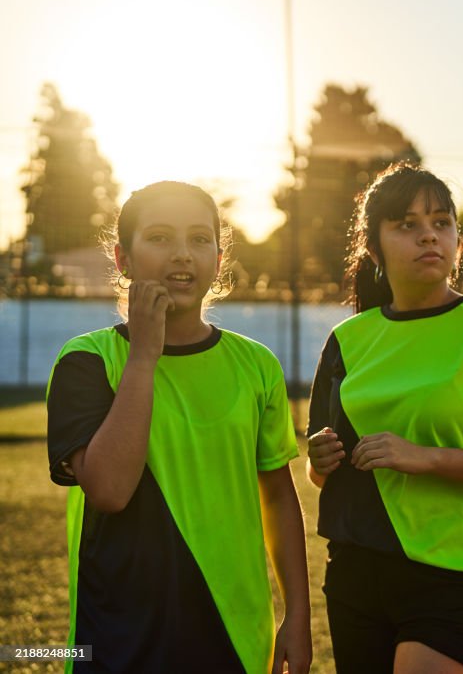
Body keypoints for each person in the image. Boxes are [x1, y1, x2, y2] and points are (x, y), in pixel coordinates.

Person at [306, 163, 463, 674]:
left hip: (453, 574)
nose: (429, 234)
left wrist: (425, 458)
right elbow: (320, 474)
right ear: (374, 250)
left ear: (456, 240)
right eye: (407, 223)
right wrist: (320, 458)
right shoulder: (347, 341)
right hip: (355, 573)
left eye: (441, 221)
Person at [45, 181, 312, 674]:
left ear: (218, 255)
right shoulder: (87, 360)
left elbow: (277, 494)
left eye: (199, 239)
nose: (182, 255)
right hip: (116, 640)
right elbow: (109, 490)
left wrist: (297, 613)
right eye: (161, 238)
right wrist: (145, 354)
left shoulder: (257, 365)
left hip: (233, 636)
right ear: (123, 259)